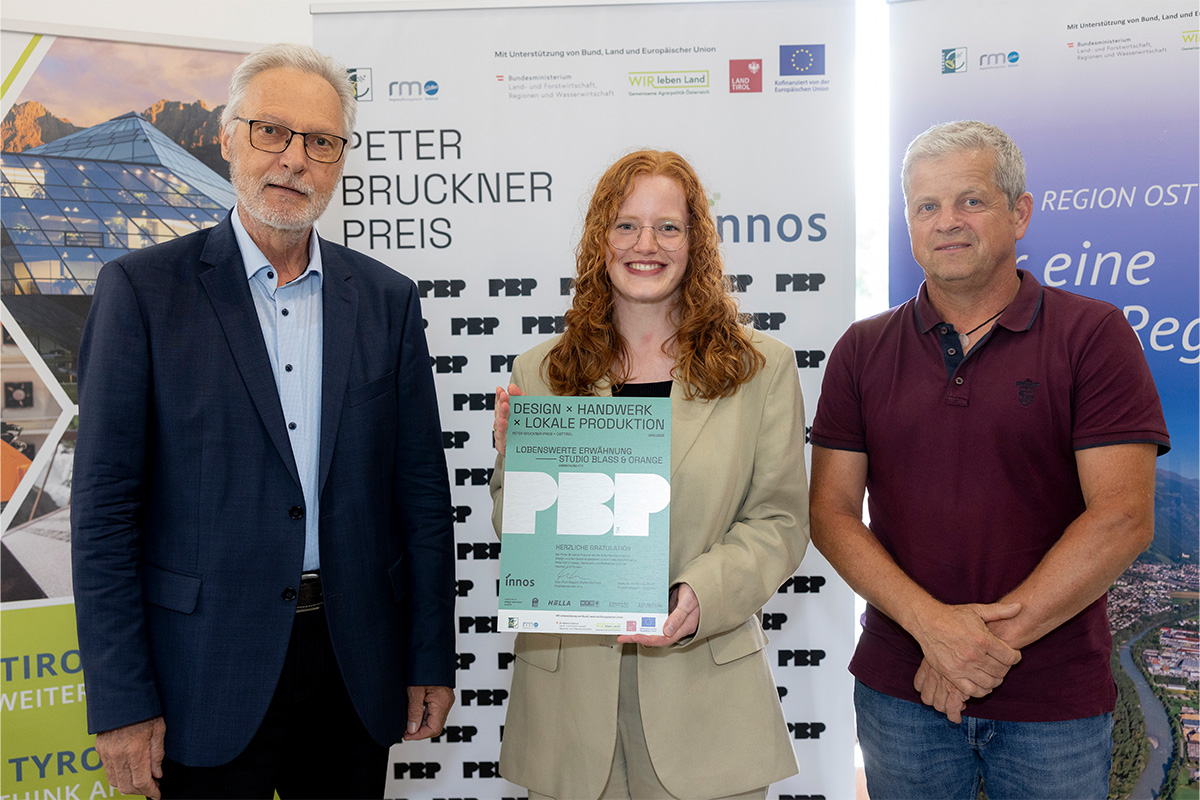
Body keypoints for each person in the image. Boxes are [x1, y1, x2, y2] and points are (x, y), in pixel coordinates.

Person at [70, 43, 455, 799]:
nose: (295, 159)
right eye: (271, 131)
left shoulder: (387, 301)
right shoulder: (142, 293)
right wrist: (121, 701)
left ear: (341, 159)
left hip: (355, 666)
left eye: (321, 141)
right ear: (228, 137)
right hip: (201, 672)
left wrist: (428, 657)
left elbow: (420, 496)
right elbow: (105, 512)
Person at [809, 120, 1170, 799]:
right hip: (900, 694)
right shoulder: (861, 350)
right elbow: (831, 513)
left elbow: (1123, 517)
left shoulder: (1094, 334)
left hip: (1054, 703)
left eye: (970, 200)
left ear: (1019, 213)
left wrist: (971, 650)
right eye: (926, 206)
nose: (946, 221)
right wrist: (933, 629)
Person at [489, 150, 809, 800]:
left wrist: (701, 593)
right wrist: (517, 470)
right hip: (568, 714)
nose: (646, 245)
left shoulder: (760, 369)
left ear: (696, 242)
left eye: (668, 227)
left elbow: (779, 521)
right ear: (600, 239)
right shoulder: (540, 371)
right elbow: (516, 530)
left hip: (706, 703)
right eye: (627, 225)